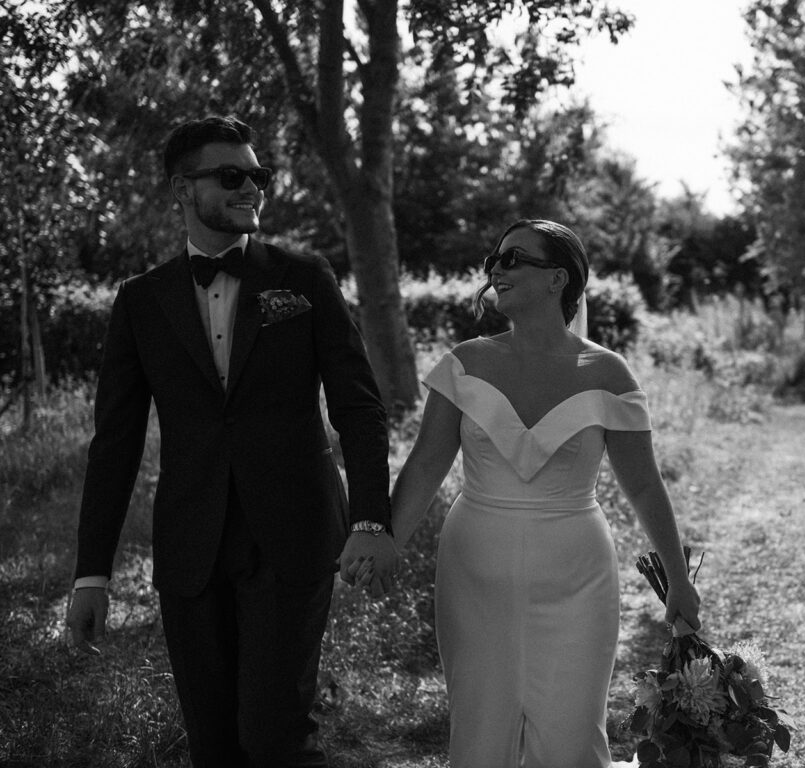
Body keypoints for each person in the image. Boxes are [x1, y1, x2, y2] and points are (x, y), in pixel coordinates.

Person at [65, 115, 398, 768]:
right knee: (214, 745)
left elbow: (358, 407)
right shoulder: (140, 301)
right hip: (191, 547)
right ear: (181, 190)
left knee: (273, 737)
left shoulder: (304, 279)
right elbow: (115, 444)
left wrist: (370, 518)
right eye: (231, 175)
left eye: (259, 176)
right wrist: (91, 572)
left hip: (293, 535)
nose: (252, 188)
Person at [383, 219, 701, 768]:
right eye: (494, 261)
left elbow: (644, 484)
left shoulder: (608, 372)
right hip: (474, 569)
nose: (496, 270)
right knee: (480, 732)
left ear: (557, 279)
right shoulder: (465, 363)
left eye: (513, 259)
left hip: (577, 575)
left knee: (573, 737)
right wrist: (382, 540)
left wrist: (678, 581)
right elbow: (426, 465)